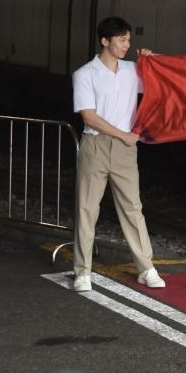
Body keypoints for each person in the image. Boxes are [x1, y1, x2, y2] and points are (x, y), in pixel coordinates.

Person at [72, 16, 165, 292]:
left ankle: (146, 268)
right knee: (87, 208)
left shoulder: (132, 71)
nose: (127, 45)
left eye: (128, 40)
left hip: (124, 150)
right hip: (96, 146)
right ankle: (82, 272)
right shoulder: (84, 74)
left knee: (132, 208)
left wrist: (151, 60)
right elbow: (89, 117)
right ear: (105, 40)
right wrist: (124, 135)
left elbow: (160, 84)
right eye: (122, 39)